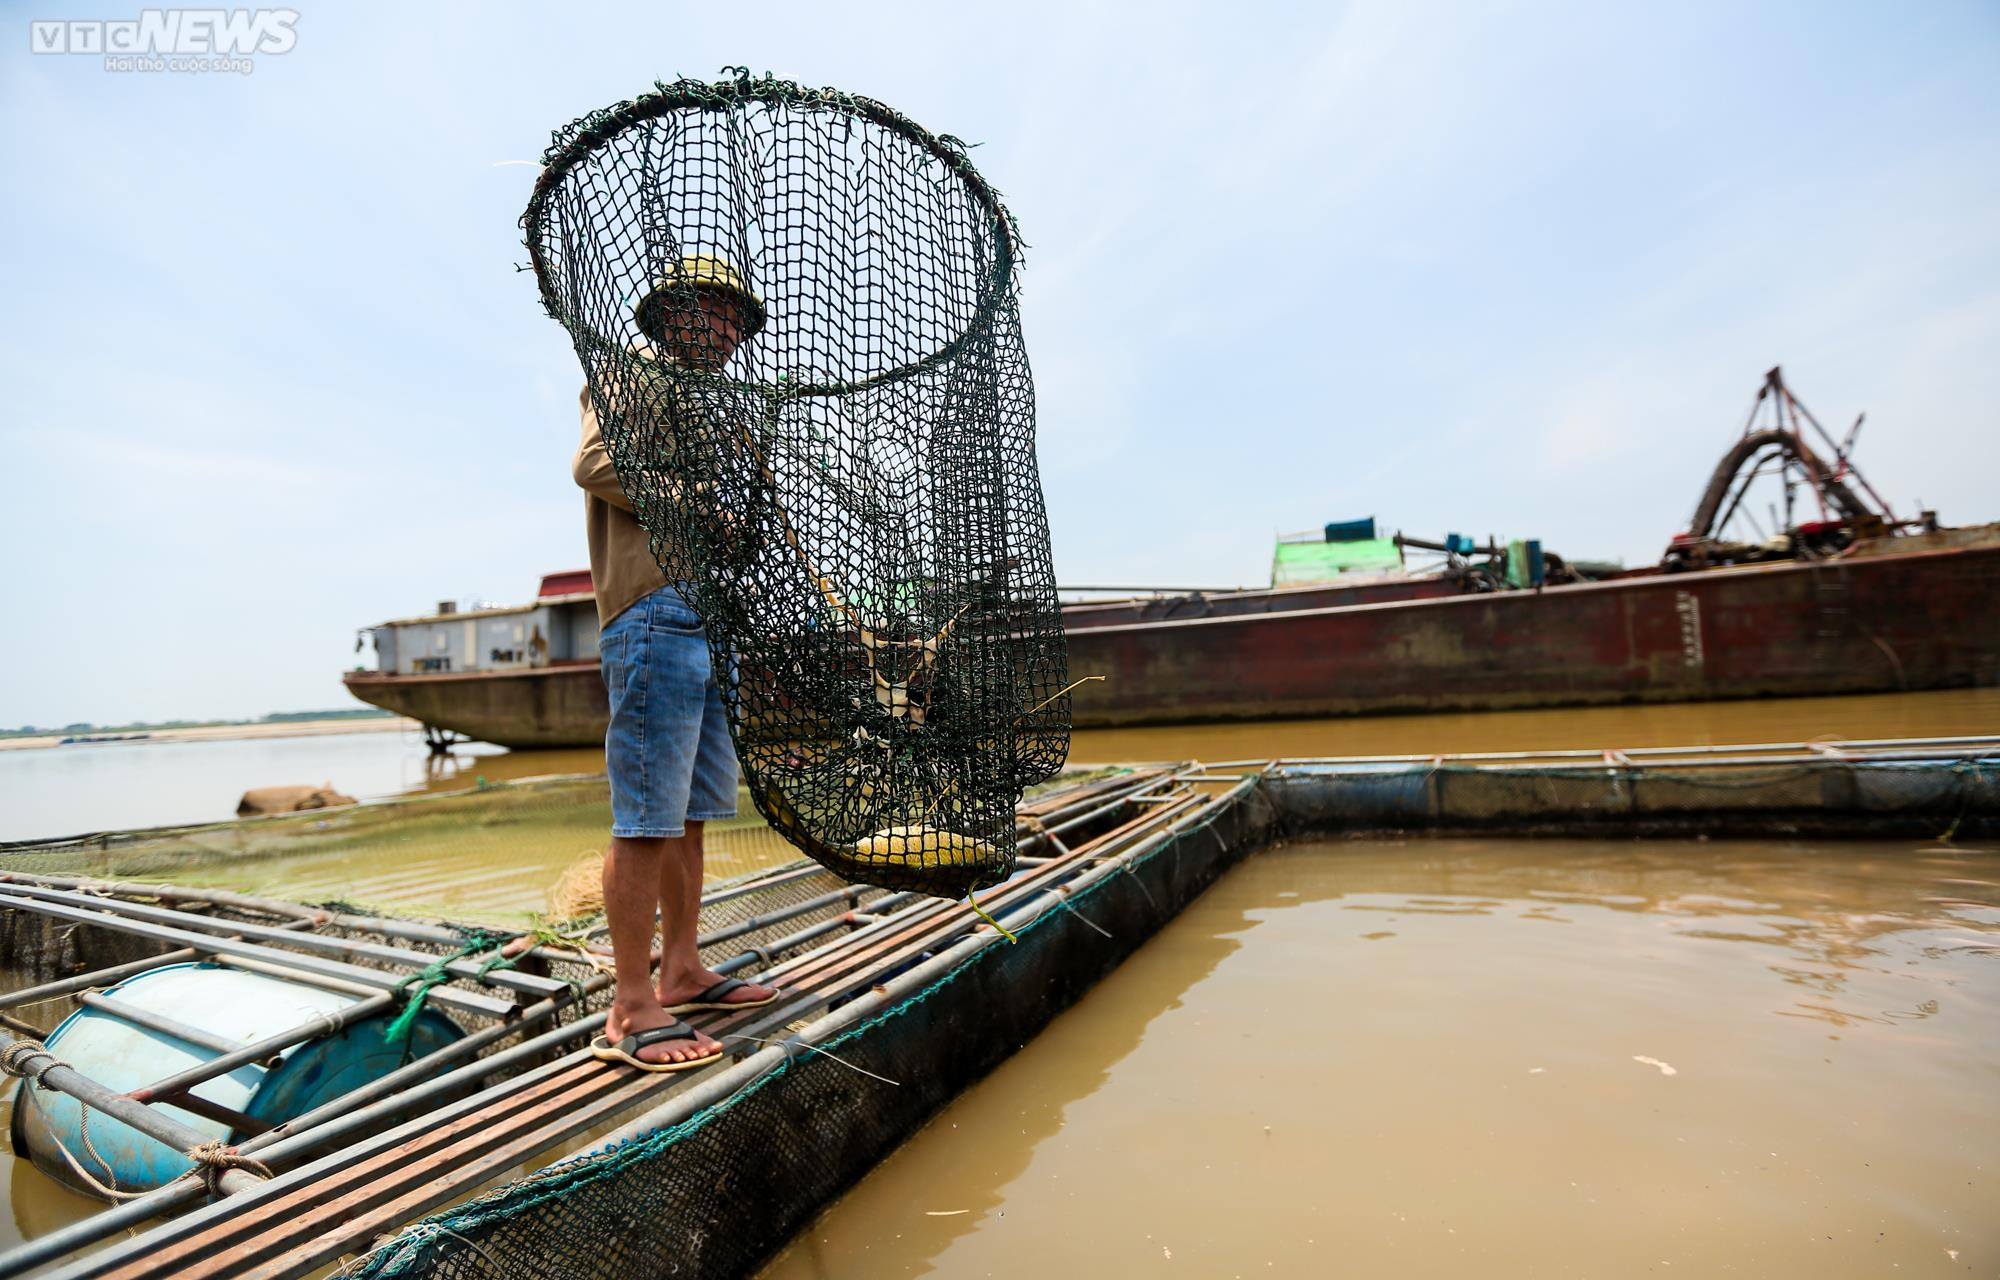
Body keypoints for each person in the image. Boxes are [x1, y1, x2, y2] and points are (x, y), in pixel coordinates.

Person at [575, 254, 778, 1071]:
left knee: (693, 809)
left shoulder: (717, 406)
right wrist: (703, 506)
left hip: (709, 615)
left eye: (737, 318)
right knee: (647, 814)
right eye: (716, 312)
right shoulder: (631, 374)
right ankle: (630, 1004)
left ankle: (684, 966)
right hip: (654, 611)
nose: (729, 330)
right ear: (673, 313)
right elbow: (595, 463)